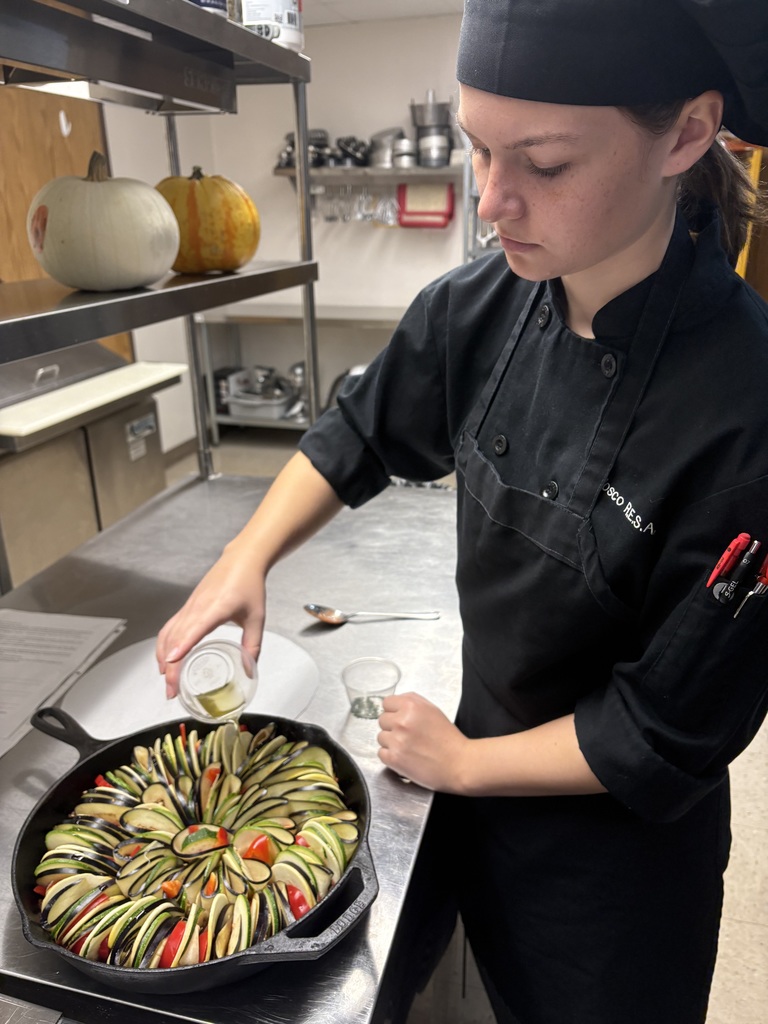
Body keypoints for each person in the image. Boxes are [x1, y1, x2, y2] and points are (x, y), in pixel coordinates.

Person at [157, 1, 768, 1020]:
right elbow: (361, 429)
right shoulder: (482, 301)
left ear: (689, 133)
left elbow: (667, 726)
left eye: (544, 163)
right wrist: (245, 555)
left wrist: (469, 763)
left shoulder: (744, 409)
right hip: (469, 778)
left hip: (611, 869)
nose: (494, 200)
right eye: (477, 148)